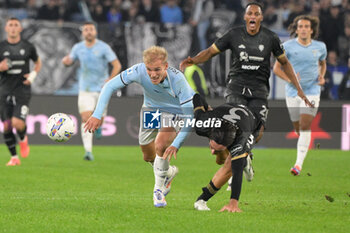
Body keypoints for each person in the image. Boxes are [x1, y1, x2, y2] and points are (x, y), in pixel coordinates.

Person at [180, 2, 313, 181]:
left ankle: (246, 157)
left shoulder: (270, 38)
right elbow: (211, 51)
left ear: (260, 17)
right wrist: (193, 60)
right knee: (233, 127)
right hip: (236, 86)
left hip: (259, 90)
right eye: (249, 13)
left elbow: (285, 63)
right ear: (245, 17)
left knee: (257, 133)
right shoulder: (234, 34)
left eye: (256, 14)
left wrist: (298, 88)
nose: (252, 16)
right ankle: (232, 175)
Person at [84, 46, 195, 208]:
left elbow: (189, 116)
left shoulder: (178, 80)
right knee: (148, 156)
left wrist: (176, 143)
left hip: (175, 111)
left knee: (161, 145)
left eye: (157, 69)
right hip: (151, 110)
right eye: (149, 69)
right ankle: (168, 172)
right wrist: (97, 114)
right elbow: (109, 86)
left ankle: (158, 190)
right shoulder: (138, 70)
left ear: (166, 66)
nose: (153, 74)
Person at [273, 15, 327, 176]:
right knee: (298, 127)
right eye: (300, 26)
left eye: (306, 26)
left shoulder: (320, 47)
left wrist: (322, 75)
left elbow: (323, 63)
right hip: (293, 92)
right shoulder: (287, 46)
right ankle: (302, 138)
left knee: (304, 125)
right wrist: (290, 79)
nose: (303, 29)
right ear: (296, 30)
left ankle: (298, 164)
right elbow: (276, 69)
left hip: (312, 91)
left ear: (311, 30)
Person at [62, 22, 121, 161]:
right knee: (86, 118)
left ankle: (99, 127)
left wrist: (110, 80)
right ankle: (88, 151)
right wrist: (65, 62)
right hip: (85, 89)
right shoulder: (78, 47)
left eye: (91, 29)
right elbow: (69, 61)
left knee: (98, 120)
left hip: (102, 89)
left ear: (95, 32)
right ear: (83, 33)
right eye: (86, 29)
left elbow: (117, 65)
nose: (89, 32)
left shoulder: (103, 47)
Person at [191, 94, 257, 212]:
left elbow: (236, 174)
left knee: (231, 165)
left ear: (228, 145)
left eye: (216, 149)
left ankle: (202, 199)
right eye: (212, 146)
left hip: (252, 122)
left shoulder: (239, 139)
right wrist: (207, 108)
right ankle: (244, 159)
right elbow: (197, 96)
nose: (211, 152)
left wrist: (233, 203)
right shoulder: (202, 124)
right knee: (220, 160)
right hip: (223, 114)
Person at [0, 17, 42, 166]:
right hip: (4, 90)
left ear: (20, 29)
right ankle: (14, 158)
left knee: (17, 123)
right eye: (10, 25)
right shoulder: (1, 47)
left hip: (22, 89)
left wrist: (33, 75)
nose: (12, 27)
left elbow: (38, 62)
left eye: (15, 25)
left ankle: (23, 139)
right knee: (6, 126)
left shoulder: (28, 46)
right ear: (6, 28)